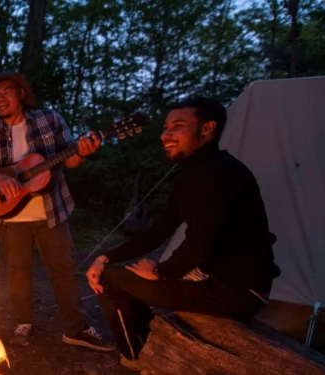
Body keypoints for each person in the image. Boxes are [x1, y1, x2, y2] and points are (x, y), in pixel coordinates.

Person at [85, 98, 280, 371]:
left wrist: (162, 271)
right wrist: (105, 257)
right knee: (119, 274)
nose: (165, 135)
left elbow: (200, 244)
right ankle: (151, 343)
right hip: (215, 278)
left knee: (110, 280)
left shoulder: (220, 173)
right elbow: (159, 230)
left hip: (237, 290)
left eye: (177, 126)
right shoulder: (192, 175)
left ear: (207, 128)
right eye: (165, 128)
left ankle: (133, 358)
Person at [0, 72, 113, 350]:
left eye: (7, 92)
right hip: (8, 217)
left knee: (63, 270)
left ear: (21, 94)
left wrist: (82, 152)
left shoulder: (49, 120)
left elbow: (70, 161)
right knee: (18, 273)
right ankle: (23, 322)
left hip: (51, 211)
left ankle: (76, 328)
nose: (0, 98)